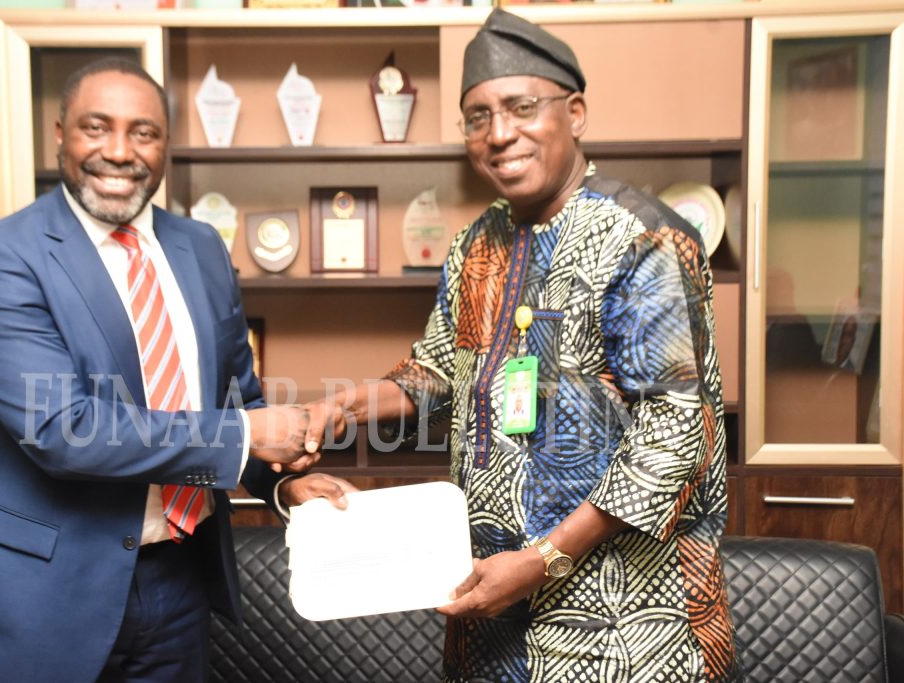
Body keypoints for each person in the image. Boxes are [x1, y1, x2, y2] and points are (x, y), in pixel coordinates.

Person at [303, 10, 740, 682]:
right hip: (494, 620)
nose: (499, 133)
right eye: (477, 116)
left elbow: (673, 441)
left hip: (628, 633)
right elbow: (438, 368)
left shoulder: (643, 238)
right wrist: (338, 411)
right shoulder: (477, 242)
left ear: (576, 112)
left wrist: (544, 561)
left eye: (521, 107)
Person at [0, 57, 351, 683]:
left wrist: (280, 484)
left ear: (166, 146)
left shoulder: (201, 247)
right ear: (60, 132)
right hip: (41, 595)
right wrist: (245, 437)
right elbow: (64, 431)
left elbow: (239, 395)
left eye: (143, 132)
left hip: (177, 584)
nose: (120, 151)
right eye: (97, 127)